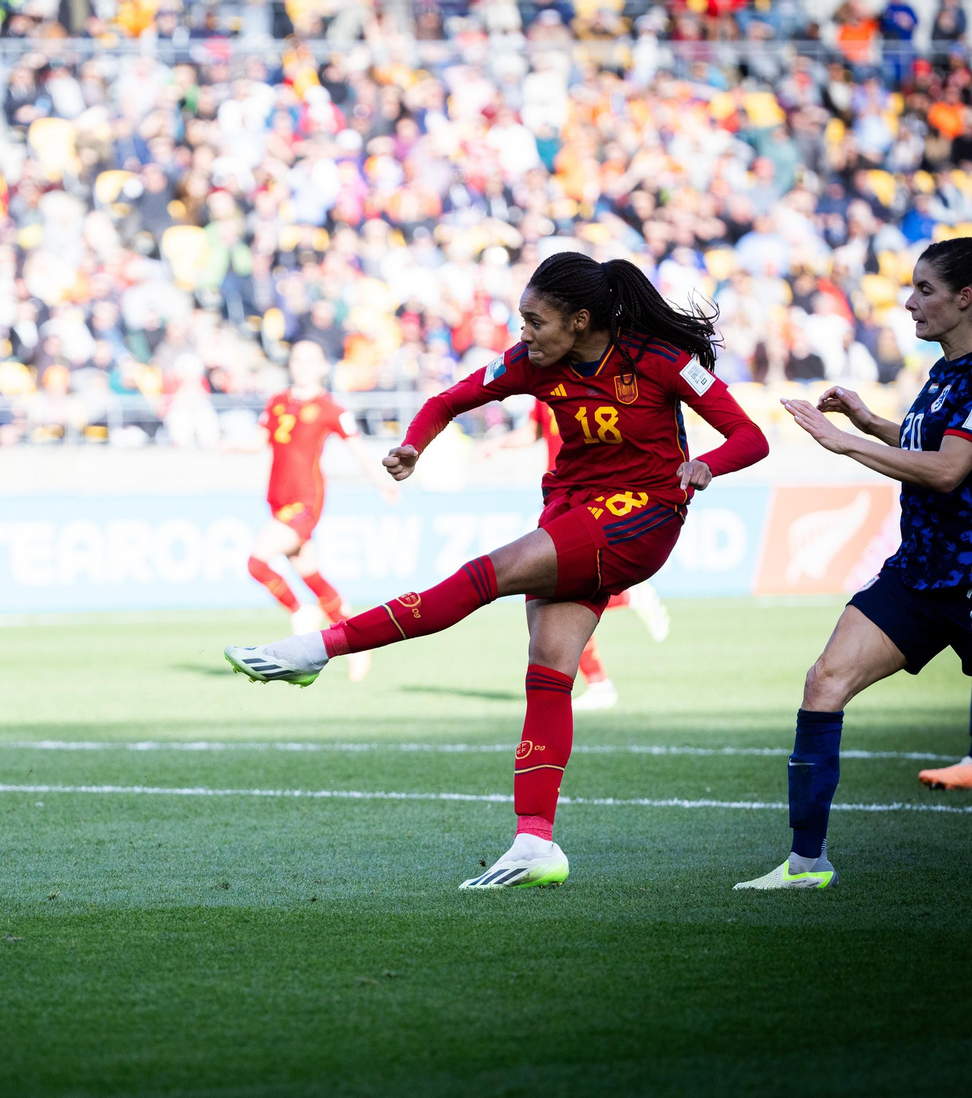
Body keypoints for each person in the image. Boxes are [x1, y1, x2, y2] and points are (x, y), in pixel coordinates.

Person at [225, 254, 769, 889]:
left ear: (580, 320)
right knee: (548, 670)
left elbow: (750, 437)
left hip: (643, 515)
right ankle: (535, 843)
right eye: (522, 320)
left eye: (535, 321)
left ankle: (319, 648)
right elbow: (448, 400)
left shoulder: (658, 359)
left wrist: (707, 465)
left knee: (486, 574)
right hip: (571, 506)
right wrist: (414, 444)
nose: (524, 333)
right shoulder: (531, 362)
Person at [737, 238, 972, 890]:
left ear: (965, 297)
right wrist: (869, 422)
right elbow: (926, 444)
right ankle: (805, 864)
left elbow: (948, 471)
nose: (910, 302)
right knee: (825, 682)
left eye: (925, 289)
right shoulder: (944, 373)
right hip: (919, 574)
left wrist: (842, 443)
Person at [481, 398, 672, 711]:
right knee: (556, 594)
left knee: (555, 593)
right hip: (557, 497)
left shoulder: (596, 384)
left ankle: (599, 678)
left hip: (586, 496)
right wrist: (498, 443)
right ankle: (602, 672)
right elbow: (534, 431)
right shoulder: (544, 389)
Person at [224, 340, 399, 682]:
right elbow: (260, 441)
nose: (302, 366)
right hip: (277, 500)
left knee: (257, 562)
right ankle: (358, 645)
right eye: (297, 360)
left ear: (322, 367)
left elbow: (358, 449)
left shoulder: (330, 409)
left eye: (309, 361)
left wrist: (382, 483)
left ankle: (299, 611)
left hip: (305, 501)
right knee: (313, 578)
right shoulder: (277, 401)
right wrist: (234, 446)